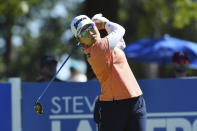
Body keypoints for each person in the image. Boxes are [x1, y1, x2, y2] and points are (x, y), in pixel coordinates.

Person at [71, 14, 147, 131]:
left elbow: (121, 44)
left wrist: (103, 24)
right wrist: (105, 23)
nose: (90, 33)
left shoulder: (104, 45)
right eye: (84, 32)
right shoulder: (99, 49)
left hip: (135, 100)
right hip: (114, 107)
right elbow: (120, 30)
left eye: (91, 27)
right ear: (79, 40)